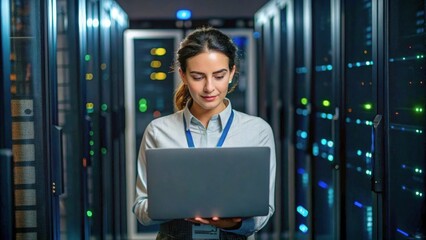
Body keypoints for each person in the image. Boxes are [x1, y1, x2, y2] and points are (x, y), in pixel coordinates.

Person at [132, 26, 276, 240]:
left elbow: (265, 211)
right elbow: (141, 210)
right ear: (183, 75)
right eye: (198, 77)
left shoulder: (257, 131)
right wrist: (174, 204)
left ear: (232, 73)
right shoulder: (159, 130)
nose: (209, 87)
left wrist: (235, 223)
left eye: (219, 75)